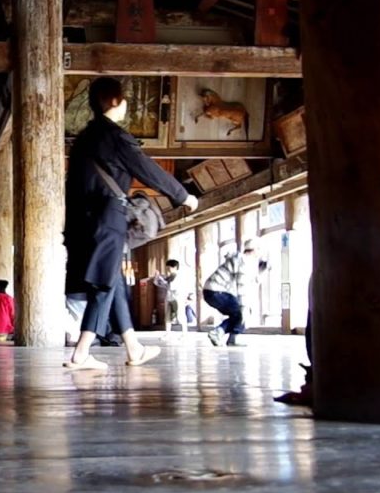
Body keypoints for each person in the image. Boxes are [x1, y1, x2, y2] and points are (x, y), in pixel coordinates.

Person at [63, 77, 198, 370]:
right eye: (124, 100)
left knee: (114, 285)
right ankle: (81, 353)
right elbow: (148, 170)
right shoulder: (115, 137)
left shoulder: (82, 140)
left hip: (83, 222)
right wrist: (183, 196)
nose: (125, 105)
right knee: (104, 285)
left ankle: (133, 348)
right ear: (115, 102)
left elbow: (71, 188)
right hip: (108, 219)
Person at [202, 239, 266, 347]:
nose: (260, 253)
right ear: (255, 250)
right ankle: (223, 334)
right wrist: (244, 307)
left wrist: (259, 274)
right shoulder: (244, 262)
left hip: (211, 291)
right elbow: (242, 287)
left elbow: (248, 282)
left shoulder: (240, 259)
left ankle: (227, 336)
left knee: (237, 313)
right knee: (242, 312)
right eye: (259, 249)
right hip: (218, 291)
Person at [154, 259, 183, 331]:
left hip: (177, 298)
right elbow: (160, 283)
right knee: (167, 317)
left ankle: (184, 333)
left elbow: (170, 286)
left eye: (169, 267)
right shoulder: (169, 277)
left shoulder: (178, 276)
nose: (168, 269)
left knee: (180, 315)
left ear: (175, 267)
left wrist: (160, 278)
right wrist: (157, 277)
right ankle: (168, 333)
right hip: (169, 298)